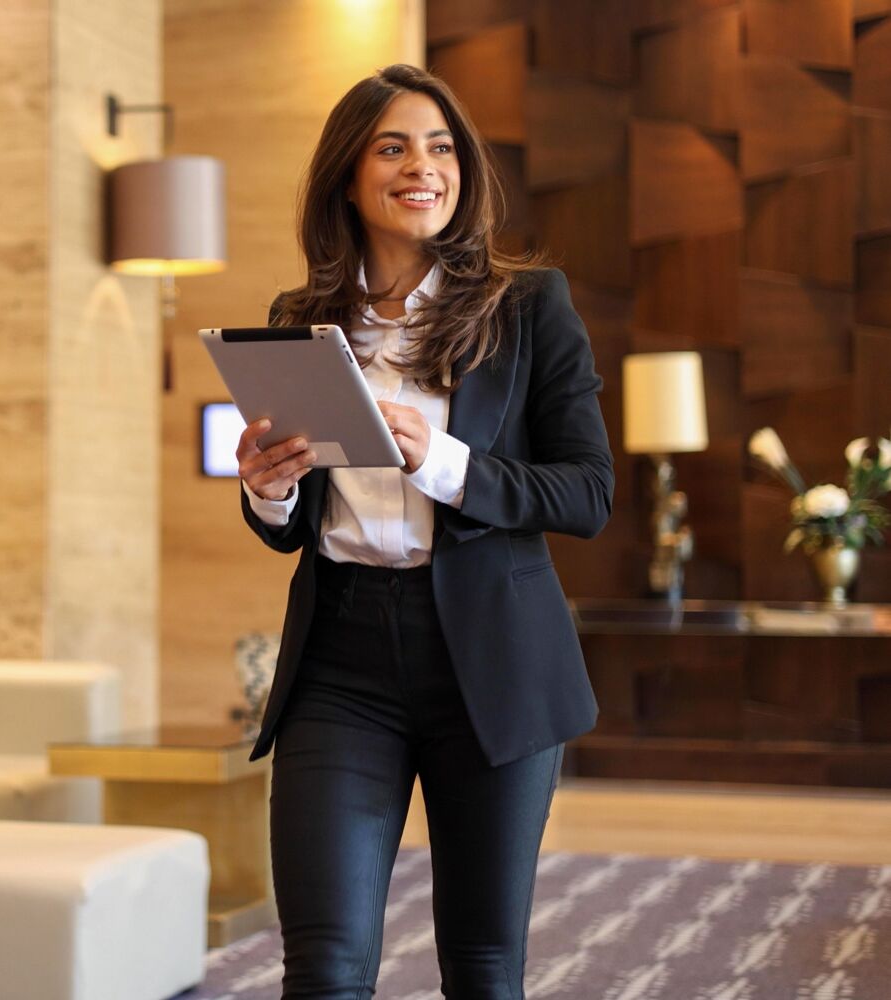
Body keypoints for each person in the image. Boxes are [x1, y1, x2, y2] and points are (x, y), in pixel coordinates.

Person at [234, 64, 614, 999]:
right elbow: (294, 526)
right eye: (393, 146)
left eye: (441, 147)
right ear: (349, 177)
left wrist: (443, 463)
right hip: (341, 662)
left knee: (483, 968)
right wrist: (268, 491)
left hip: (491, 658)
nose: (423, 166)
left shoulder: (530, 308)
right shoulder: (301, 320)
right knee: (322, 967)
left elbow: (586, 493)